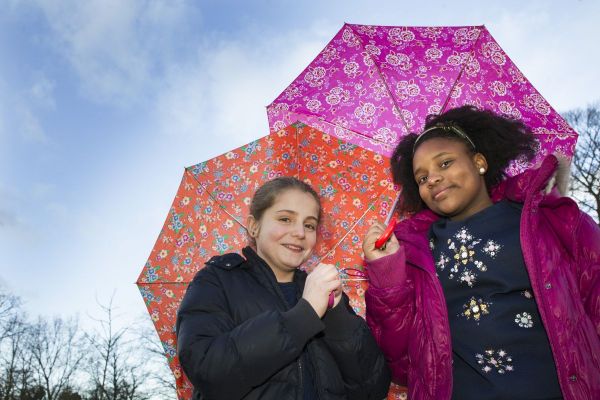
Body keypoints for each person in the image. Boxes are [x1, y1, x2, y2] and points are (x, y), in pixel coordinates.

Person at [362, 106, 600, 400]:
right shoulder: (414, 250)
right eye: (421, 178)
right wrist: (387, 275)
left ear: (479, 162)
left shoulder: (551, 219)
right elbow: (401, 363)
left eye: (445, 163)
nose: (432, 179)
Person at [177, 176, 391, 400]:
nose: (300, 232)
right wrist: (304, 316)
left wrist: (337, 316)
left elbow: (373, 388)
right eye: (285, 219)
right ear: (254, 226)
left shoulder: (324, 291)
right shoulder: (217, 280)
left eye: (309, 225)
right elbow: (208, 370)